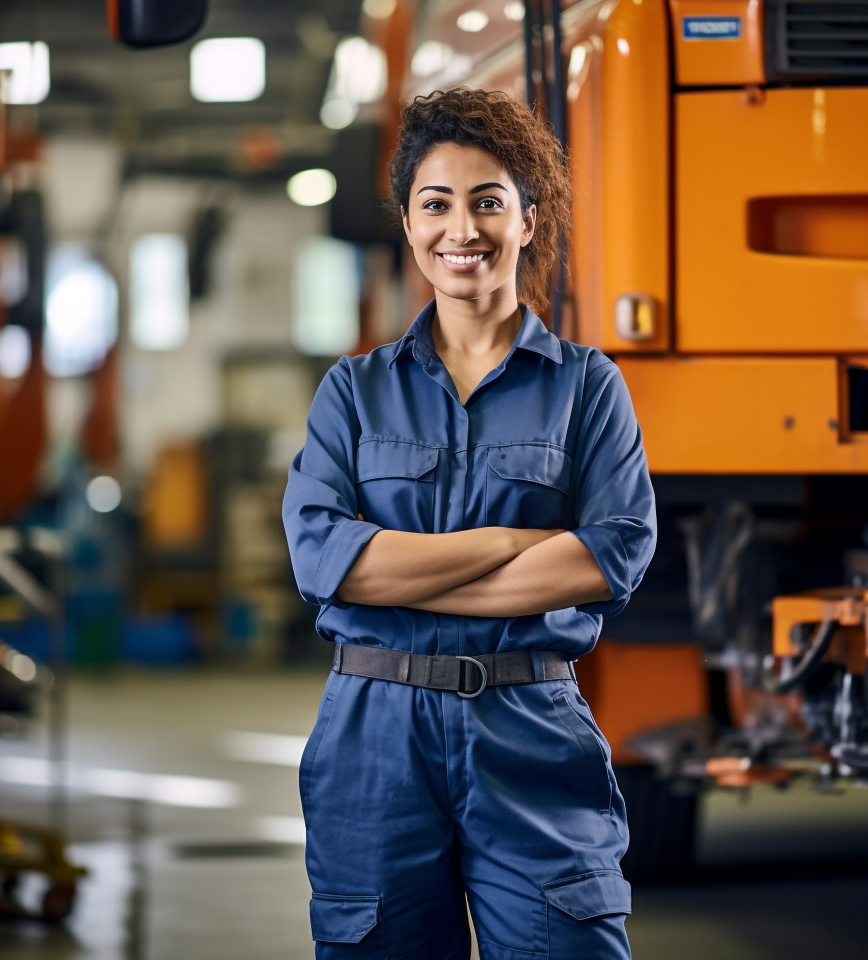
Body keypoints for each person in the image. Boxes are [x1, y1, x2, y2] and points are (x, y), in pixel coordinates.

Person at [283, 88, 656, 960]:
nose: (464, 229)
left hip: (530, 721)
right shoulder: (354, 390)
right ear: (409, 225)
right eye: (436, 203)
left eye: (489, 201)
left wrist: (402, 563)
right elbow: (328, 563)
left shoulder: (586, 388)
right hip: (375, 734)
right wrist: (509, 543)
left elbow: (611, 556)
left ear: (529, 219)